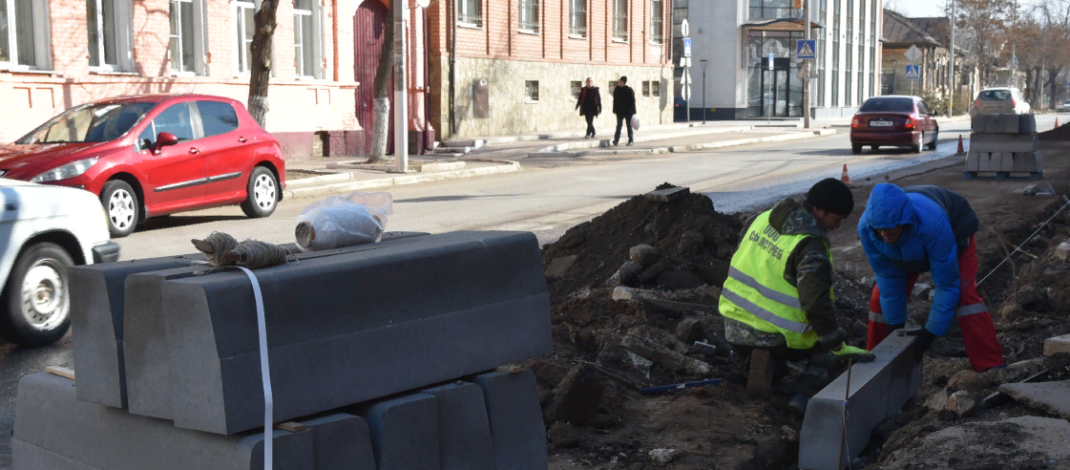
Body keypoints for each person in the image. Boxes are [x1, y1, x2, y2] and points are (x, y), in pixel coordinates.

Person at [720, 179, 875, 402]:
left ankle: (766, 366)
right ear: (818, 210)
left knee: (783, 345)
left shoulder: (761, 219)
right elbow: (815, 303)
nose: (837, 227)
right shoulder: (810, 247)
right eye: (836, 219)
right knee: (829, 351)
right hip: (777, 337)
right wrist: (836, 343)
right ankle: (802, 399)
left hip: (734, 330)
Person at [859, 184, 1004, 372]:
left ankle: (990, 365)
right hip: (907, 247)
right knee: (879, 299)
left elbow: (947, 283)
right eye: (879, 228)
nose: (884, 232)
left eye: (890, 227)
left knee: (964, 296)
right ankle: (874, 362)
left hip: (953, 231)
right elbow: (888, 275)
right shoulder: (868, 229)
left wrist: (931, 332)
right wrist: (895, 323)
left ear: (903, 221)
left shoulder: (933, 224)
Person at [612, 76, 637, 146]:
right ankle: (616, 140)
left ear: (624, 82)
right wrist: (615, 110)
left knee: (629, 126)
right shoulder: (616, 89)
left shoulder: (629, 90)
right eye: (619, 81)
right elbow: (615, 101)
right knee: (619, 126)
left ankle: (631, 140)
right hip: (619, 112)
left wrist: (633, 112)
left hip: (628, 112)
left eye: (621, 81)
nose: (619, 82)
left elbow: (632, 101)